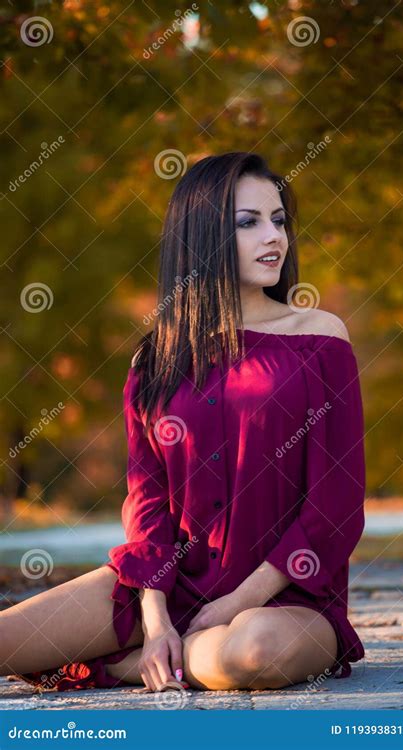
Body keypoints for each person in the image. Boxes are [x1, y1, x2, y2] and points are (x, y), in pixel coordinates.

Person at [1, 152, 366, 694]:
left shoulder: (319, 337)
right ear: (203, 233)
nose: (274, 237)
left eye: (279, 219)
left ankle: (118, 668)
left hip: (285, 598)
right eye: (249, 222)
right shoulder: (157, 359)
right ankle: (156, 652)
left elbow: (336, 502)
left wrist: (238, 600)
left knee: (256, 653)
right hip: (166, 583)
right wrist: (155, 619)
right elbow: (147, 499)